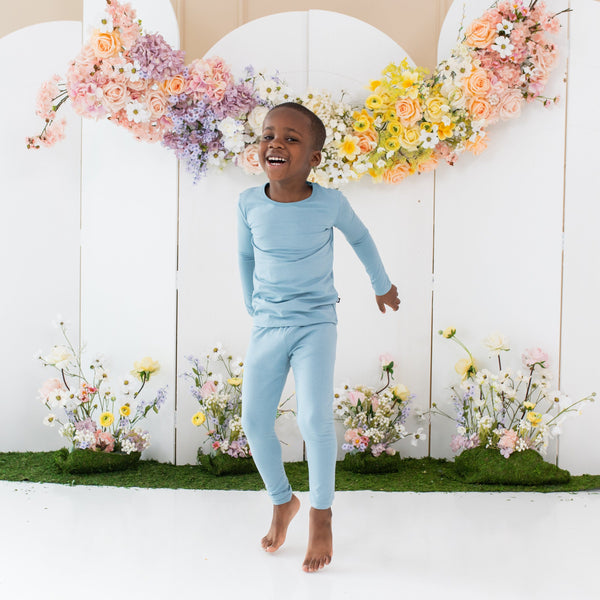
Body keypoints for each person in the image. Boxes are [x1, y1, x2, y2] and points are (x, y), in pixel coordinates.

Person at [237, 102, 400, 572]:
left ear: (314, 157)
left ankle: (321, 515)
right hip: (267, 325)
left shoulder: (330, 203)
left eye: (291, 138)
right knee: (254, 422)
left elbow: (361, 238)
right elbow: (245, 256)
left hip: (315, 324)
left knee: (314, 419)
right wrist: (251, 303)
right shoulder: (248, 202)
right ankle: (282, 501)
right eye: (269, 135)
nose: (276, 143)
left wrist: (381, 285)